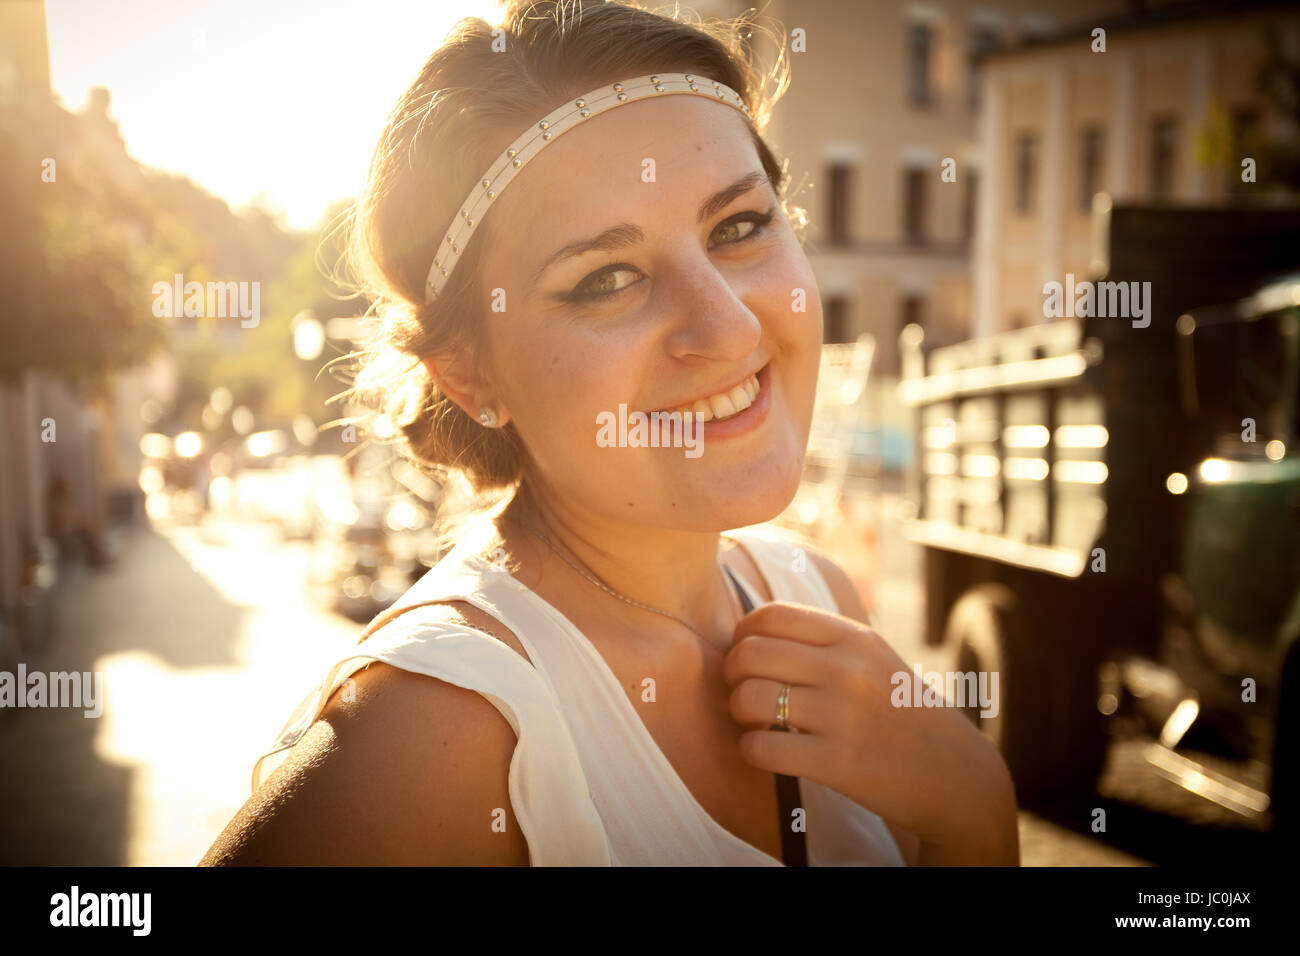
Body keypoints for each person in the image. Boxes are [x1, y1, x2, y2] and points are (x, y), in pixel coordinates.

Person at [201, 0, 1018, 866]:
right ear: (469, 374)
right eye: (607, 278)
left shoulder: (818, 601)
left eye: (738, 226)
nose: (730, 328)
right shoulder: (440, 732)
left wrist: (974, 806)